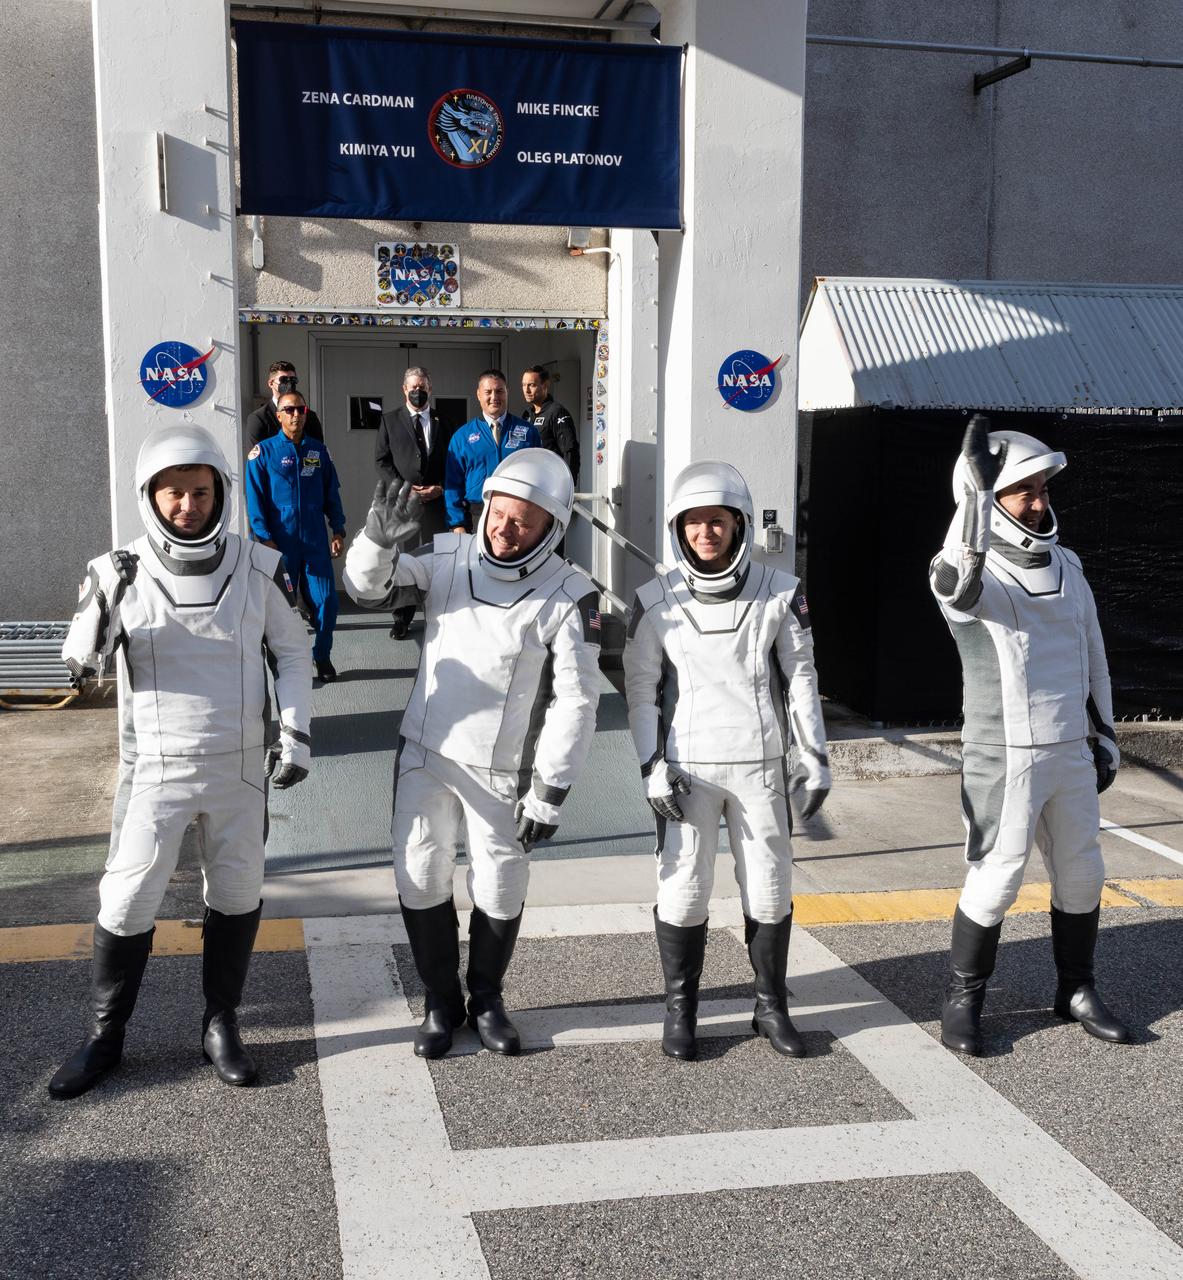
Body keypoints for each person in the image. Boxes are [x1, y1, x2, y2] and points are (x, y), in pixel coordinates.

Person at [49, 424, 312, 1099]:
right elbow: (84, 649)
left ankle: (220, 1024)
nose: (188, 506)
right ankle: (106, 1037)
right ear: (151, 496)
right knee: (128, 896)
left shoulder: (260, 566)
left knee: (236, 895)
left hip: (240, 769)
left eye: (200, 491)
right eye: (174, 494)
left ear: (220, 491)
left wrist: (296, 732)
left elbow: (292, 652)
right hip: (156, 770)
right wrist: (83, 647)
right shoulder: (119, 571)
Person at [343, 449, 601, 1060]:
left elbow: (578, 701)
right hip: (426, 751)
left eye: (524, 521)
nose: (505, 530)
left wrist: (550, 789)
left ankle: (486, 998)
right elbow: (366, 588)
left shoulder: (570, 593)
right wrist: (376, 543)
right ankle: (440, 1001)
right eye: (500, 513)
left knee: (502, 882)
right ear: (484, 505)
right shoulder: (450, 555)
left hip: (502, 766)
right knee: (420, 872)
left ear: (553, 529)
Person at [929, 415, 1130, 1057]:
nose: (1039, 501)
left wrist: (1105, 734)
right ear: (987, 497)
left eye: (1043, 488)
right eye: (1025, 491)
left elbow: (1092, 650)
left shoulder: (1067, 562)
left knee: (1082, 873)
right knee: (997, 877)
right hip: (1006, 753)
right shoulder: (963, 571)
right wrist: (978, 503)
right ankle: (963, 1002)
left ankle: (1076, 989)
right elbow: (961, 585)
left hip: (1070, 749)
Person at [623, 462, 831, 1062]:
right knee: (684, 891)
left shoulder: (781, 591)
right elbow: (640, 691)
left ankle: (770, 1006)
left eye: (717, 521)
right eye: (693, 523)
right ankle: (680, 1012)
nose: (705, 533)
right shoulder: (653, 600)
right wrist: (649, 764)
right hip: (688, 769)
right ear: (677, 529)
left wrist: (813, 757)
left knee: (769, 891)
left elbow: (801, 679)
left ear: (738, 524)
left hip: (761, 765)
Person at [245, 390, 346, 683]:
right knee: (280, 608)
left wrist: (338, 529)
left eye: (300, 410)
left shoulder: (318, 451)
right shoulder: (262, 454)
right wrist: (264, 538)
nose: (295, 415)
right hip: (280, 543)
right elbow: (255, 500)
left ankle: (322, 655)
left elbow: (332, 495)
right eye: (289, 410)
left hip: (314, 541)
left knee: (327, 601)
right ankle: (281, 661)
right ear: (278, 416)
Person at [374, 365, 449, 639]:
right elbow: (381, 461)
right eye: (412, 387)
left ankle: (437, 615)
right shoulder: (389, 420)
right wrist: (404, 488)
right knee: (403, 560)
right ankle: (402, 618)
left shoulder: (445, 420)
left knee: (436, 559)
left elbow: (453, 460)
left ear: (430, 388)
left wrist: (440, 488)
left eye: (422, 386)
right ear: (404, 389)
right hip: (404, 504)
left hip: (436, 503)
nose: (418, 391)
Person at [444, 369, 540, 533]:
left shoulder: (528, 432)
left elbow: (539, 476)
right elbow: (453, 484)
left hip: (518, 515)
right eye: (488, 392)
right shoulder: (462, 437)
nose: (494, 397)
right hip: (477, 515)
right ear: (478, 394)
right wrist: (457, 524)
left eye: (499, 391)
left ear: (507, 393)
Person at [245, 361, 324, 449]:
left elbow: (319, 449)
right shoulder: (259, 418)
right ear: (271, 383)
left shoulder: (309, 415)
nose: (289, 384)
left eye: (293, 380)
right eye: (284, 380)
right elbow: (257, 457)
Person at [521, 365, 580, 481]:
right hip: (532, 482)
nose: (526, 390)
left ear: (545, 385)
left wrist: (568, 485)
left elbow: (570, 451)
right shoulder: (527, 414)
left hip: (552, 483)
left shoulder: (557, 412)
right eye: (523, 385)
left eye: (532, 385)